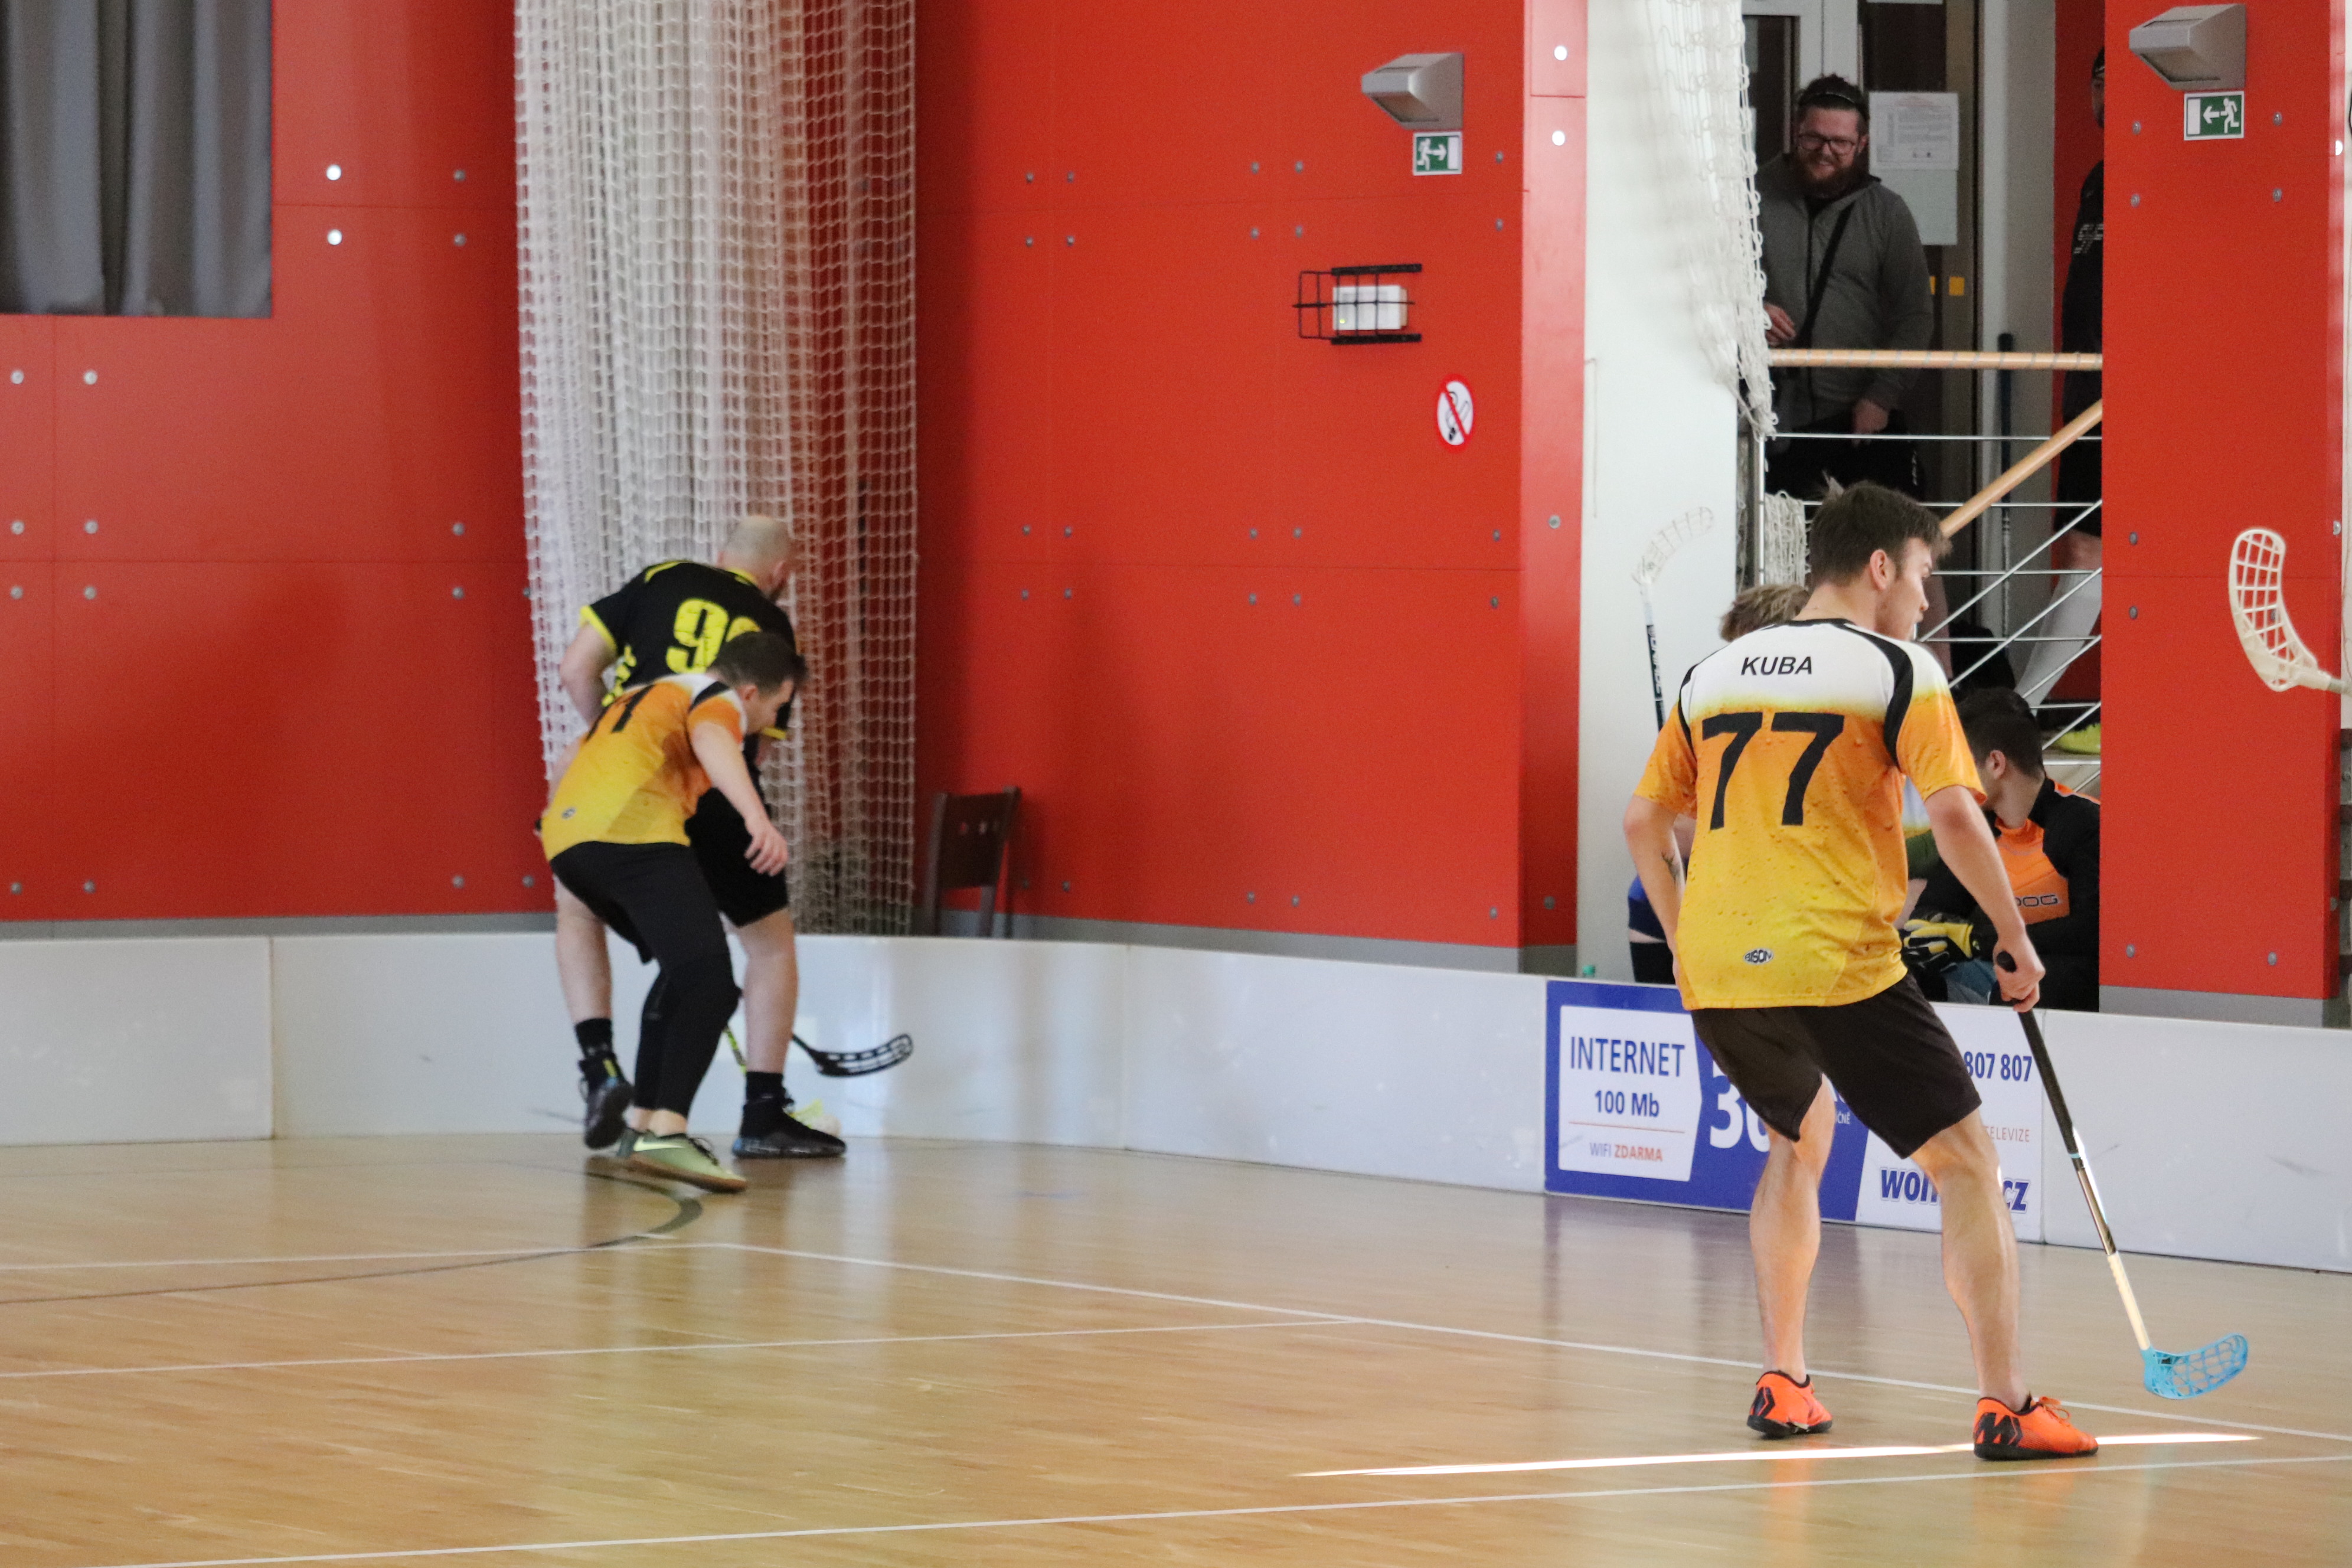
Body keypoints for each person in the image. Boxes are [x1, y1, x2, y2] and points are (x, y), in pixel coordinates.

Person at [1622, 482, 2096, 1461]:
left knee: (1795, 1141)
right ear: (1879, 567)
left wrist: (1682, 941)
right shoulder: (1896, 669)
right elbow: (1956, 815)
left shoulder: (1712, 675)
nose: (1923, 602)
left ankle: (1783, 1379)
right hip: (1834, 959)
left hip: (1721, 967)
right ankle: (2007, 1403)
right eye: (1920, 576)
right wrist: (2012, 936)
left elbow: (1641, 823)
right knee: (1966, 1165)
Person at [554, 515, 844, 1161]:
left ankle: (603, 1068)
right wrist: (755, 817)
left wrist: (610, 738)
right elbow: (743, 745)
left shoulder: (661, 579)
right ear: (781, 574)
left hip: (606, 793)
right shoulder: (769, 636)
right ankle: (760, 1111)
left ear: (719, 553)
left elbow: (576, 668)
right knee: (767, 948)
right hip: (712, 799)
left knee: (581, 914)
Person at [542, 632, 806, 1193]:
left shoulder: (641, 694)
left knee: (685, 975)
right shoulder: (715, 698)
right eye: (777, 707)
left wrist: (557, 827)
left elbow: (568, 760)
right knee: (710, 985)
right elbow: (713, 738)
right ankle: (668, 1134)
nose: (771, 722)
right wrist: (757, 819)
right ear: (751, 692)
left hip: (570, 845)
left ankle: (641, 1125)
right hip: (633, 836)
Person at [1756, 77, 1935, 501]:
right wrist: (1749, 312)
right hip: (1772, 418)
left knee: (1894, 538)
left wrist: (1881, 397)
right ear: (1795, 133)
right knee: (1783, 542)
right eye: (1814, 139)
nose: (1826, 152)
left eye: (1840, 143)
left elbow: (1916, 315)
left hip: (1859, 420)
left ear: (1862, 144)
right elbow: (1709, 287)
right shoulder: (1751, 197)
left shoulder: (1887, 213)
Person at [1629, 584, 1810, 982]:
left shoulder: (1814, 718)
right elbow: (1665, 827)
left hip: (1762, 909)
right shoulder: (1706, 708)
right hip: (1703, 905)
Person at [1906, 689, 2099, 1011]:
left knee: (2038, 983)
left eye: (1958, 765)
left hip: (2061, 987)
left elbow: (2093, 931)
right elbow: (1932, 912)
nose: (1948, 780)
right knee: (1899, 976)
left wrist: (1978, 940)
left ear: (1996, 763)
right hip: (1992, 977)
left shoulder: (2083, 822)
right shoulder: (1977, 829)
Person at [2020, 47, 2106, 753]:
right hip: (2086, 400)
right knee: (2086, 549)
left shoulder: (2152, 174)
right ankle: (2026, 708)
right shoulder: (2099, 179)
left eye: (2118, 82)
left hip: (2130, 401)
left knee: (2093, 550)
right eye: (2098, 81)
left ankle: (2022, 709)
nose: (2106, 95)